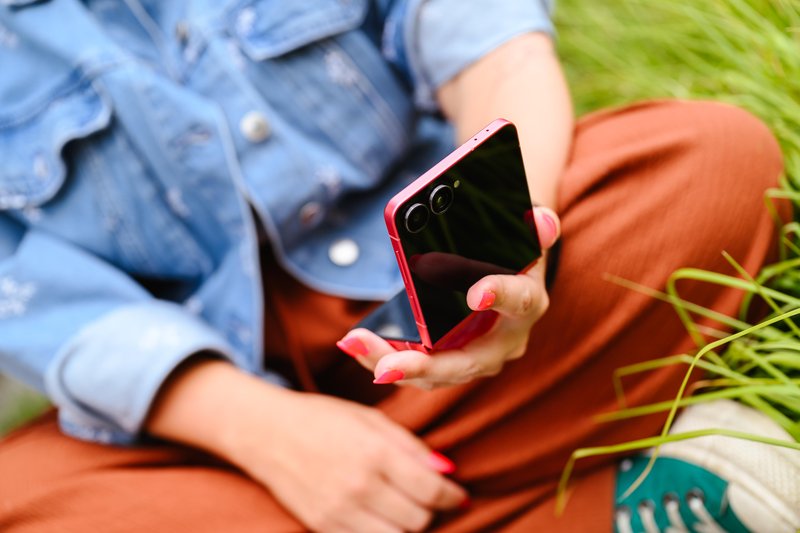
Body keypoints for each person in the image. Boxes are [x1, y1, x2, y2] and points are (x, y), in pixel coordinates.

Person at [0, 0, 792, 531]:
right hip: (202, 394)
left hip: (435, 288)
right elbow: (27, 297)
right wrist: (262, 432)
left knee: (716, 169)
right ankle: (602, 507)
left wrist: (514, 251)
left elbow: (497, 56)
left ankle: (376, 500)